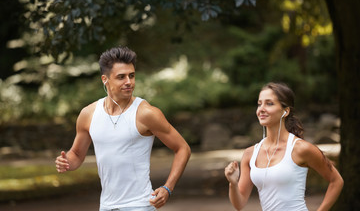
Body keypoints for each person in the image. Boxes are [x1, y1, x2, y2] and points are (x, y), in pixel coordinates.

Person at [55, 46, 191, 211]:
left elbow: (182, 148)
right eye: (121, 77)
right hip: (106, 206)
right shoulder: (88, 114)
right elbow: (76, 154)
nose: (129, 82)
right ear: (105, 79)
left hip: (140, 205)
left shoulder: (146, 113)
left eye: (131, 76)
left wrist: (168, 188)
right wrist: (66, 162)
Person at [224, 82, 343, 211]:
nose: (261, 109)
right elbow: (239, 204)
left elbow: (336, 181)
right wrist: (233, 183)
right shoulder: (250, 153)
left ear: (285, 111)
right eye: (259, 104)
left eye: (269, 103)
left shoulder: (301, 149)